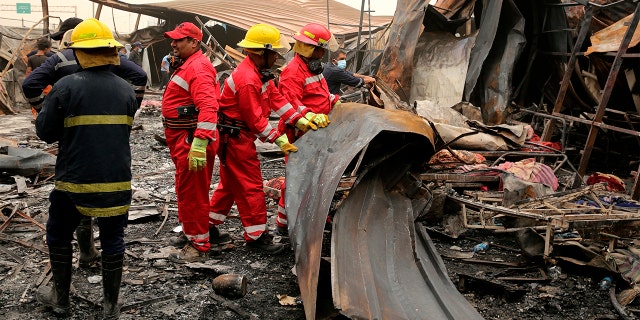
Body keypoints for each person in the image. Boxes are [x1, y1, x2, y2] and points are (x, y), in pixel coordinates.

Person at [22, 18, 147, 270]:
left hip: (74, 173)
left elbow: (46, 132)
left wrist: (47, 113)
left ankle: (61, 298)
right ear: (111, 50)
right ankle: (111, 308)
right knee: (113, 237)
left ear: (77, 50)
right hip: (117, 177)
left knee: (59, 233)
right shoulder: (125, 89)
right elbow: (139, 78)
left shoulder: (64, 84)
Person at [209, 24, 319, 254]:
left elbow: (278, 100)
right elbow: (255, 119)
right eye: (275, 52)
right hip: (236, 138)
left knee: (229, 185)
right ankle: (257, 237)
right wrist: (279, 140)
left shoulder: (260, 74)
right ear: (263, 52)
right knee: (250, 187)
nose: (278, 56)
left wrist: (301, 120)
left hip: (234, 137)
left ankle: (208, 224)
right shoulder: (248, 79)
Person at [161, 22, 222, 263]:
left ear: (194, 42)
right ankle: (191, 232)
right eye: (173, 39)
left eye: (179, 40)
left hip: (191, 139)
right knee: (186, 188)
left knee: (193, 192)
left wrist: (200, 142)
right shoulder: (188, 65)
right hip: (183, 138)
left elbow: (209, 107)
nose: (173, 44)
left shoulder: (198, 68)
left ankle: (199, 243)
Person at [276, 23, 340, 234]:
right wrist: (310, 115)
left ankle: (317, 215)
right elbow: (290, 104)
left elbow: (320, 95)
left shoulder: (312, 68)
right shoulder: (293, 72)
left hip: (316, 131)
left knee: (317, 176)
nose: (322, 53)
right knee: (297, 177)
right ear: (314, 49)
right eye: (321, 49)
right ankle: (284, 224)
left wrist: (335, 102)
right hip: (300, 133)